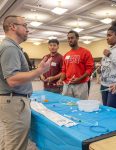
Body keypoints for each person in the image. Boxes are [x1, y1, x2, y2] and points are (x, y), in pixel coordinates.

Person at [0, 15, 51, 150]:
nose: (28, 30)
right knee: (15, 145)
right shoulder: (10, 48)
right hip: (14, 103)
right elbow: (12, 79)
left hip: (11, 102)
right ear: (13, 27)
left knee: (9, 142)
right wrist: (40, 70)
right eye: (25, 26)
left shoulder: (10, 47)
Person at [57, 30, 94, 100]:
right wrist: (61, 79)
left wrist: (79, 79)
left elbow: (89, 69)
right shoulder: (66, 55)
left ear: (77, 38)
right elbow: (64, 70)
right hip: (67, 85)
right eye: (68, 38)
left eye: (72, 38)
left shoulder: (85, 52)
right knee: (67, 105)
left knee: (81, 105)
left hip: (81, 85)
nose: (70, 40)